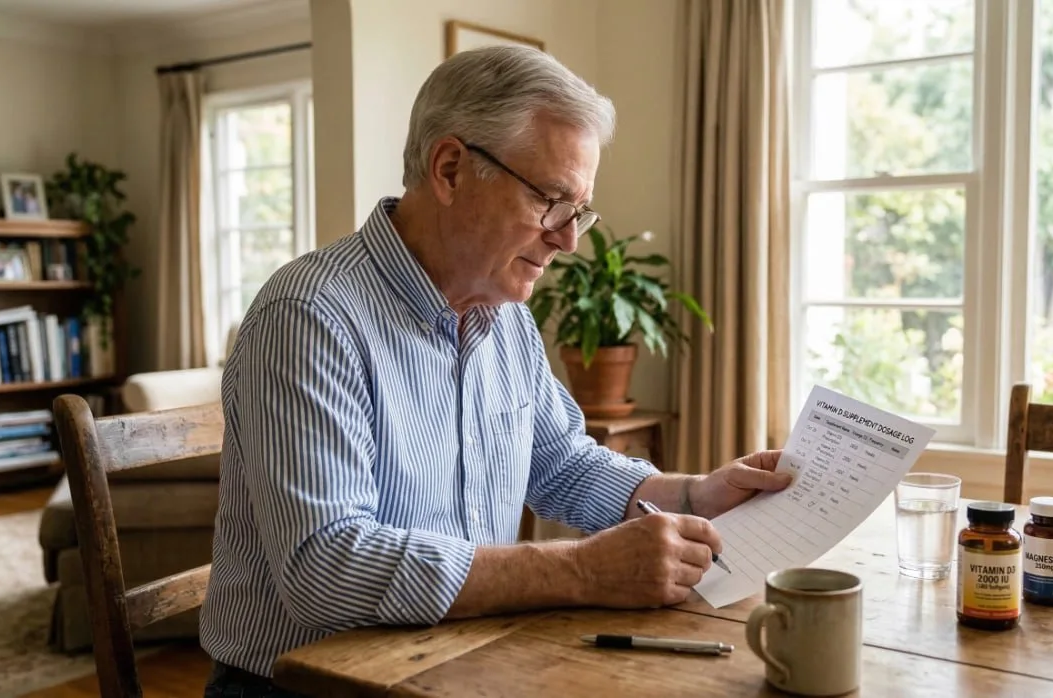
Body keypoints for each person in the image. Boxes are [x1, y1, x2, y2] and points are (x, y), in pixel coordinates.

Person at [199, 45, 792, 696]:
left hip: (460, 656)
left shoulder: (503, 315)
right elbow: (327, 567)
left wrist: (695, 495)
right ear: (451, 169)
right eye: (550, 199)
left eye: (579, 209)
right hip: (308, 684)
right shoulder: (309, 318)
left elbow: (562, 464)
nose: (569, 239)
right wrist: (582, 572)